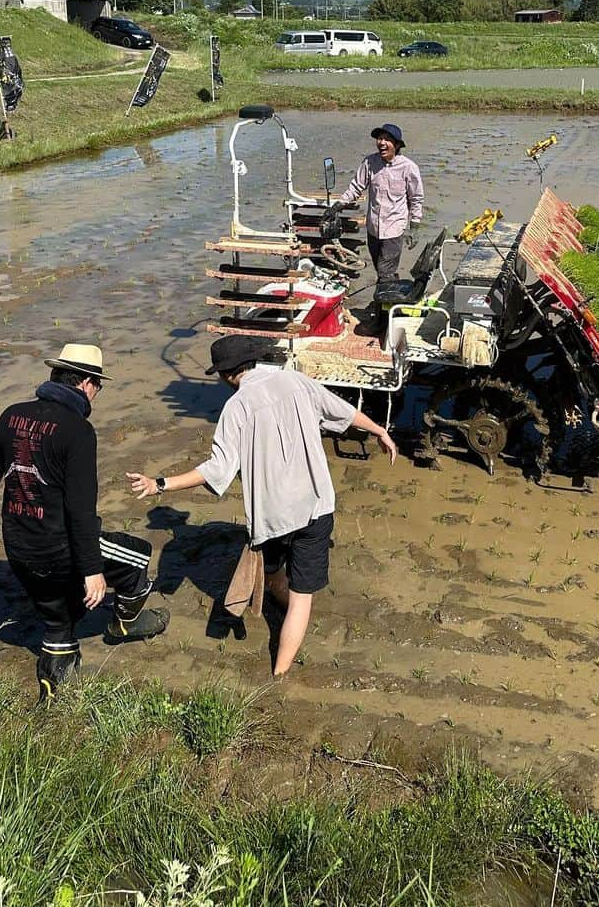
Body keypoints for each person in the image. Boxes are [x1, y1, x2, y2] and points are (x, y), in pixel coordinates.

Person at [127, 336, 396, 677]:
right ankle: (281, 670)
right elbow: (342, 412)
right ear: (253, 361)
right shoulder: (296, 380)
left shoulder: (236, 408)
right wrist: (379, 431)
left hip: (272, 515)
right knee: (303, 598)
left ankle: (278, 654)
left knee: (271, 570)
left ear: (225, 375)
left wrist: (160, 484)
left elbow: (216, 469)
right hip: (315, 506)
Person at [0, 343, 168, 702]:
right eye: (98, 386)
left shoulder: (11, 415)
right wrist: (92, 570)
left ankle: (56, 684)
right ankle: (125, 622)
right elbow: (81, 510)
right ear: (87, 383)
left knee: (58, 620)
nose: (97, 393)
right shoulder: (77, 430)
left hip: (19, 546)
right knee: (139, 555)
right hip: (61, 546)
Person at [337, 123, 424, 297]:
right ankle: (392, 299)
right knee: (383, 271)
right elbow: (356, 187)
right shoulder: (370, 162)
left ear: (397, 145)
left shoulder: (408, 167)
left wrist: (414, 228)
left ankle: (382, 317)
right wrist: (338, 204)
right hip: (373, 229)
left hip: (394, 229)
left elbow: (416, 198)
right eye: (380, 139)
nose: (382, 143)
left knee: (385, 273)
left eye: (387, 140)